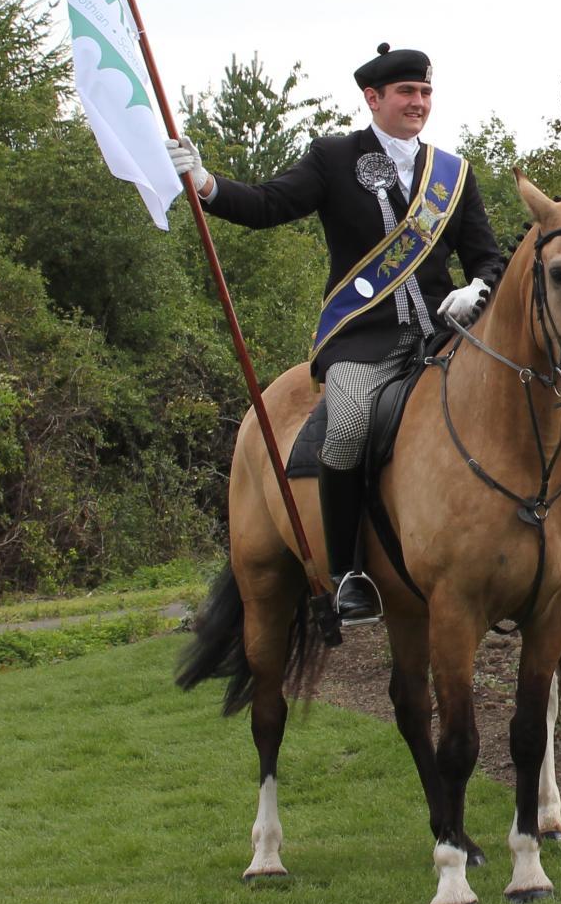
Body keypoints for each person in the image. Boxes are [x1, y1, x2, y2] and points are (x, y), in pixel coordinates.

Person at [166, 43, 507, 630]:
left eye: (425, 92)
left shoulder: (453, 175)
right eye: (405, 93)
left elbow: (488, 258)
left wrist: (477, 289)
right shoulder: (332, 157)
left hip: (443, 333)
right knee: (347, 424)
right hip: (363, 337)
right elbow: (269, 205)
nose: (417, 103)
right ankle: (352, 575)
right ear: (373, 99)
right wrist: (205, 183)